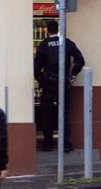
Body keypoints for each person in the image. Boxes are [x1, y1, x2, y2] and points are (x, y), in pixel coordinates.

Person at [33, 20, 85, 153]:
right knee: (64, 113)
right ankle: (66, 144)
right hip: (63, 81)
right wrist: (72, 75)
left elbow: (37, 67)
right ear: (58, 29)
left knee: (47, 113)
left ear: (47, 30)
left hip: (49, 82)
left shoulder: (44, 45)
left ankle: (48, 144)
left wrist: (40, 79)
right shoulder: (67, 43)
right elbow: (80, 61)